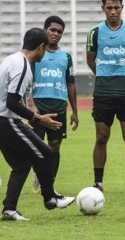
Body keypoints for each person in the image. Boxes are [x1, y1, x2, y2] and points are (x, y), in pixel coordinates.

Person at [0, 28, 75, 221]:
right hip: (4, 121)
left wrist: (23, 121)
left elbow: (7, 100)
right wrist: (37, 118)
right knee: (46, 154)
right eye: (45, 48)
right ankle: (50, 198)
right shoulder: (23, 66)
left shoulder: (12, 59)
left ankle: (9, 210)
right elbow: (11, 102)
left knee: (21, 165)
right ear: (41, 47)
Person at [86, 0, 125, 193]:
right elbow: (90, 60)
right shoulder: (95, 32)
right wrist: (105, 75)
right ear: (102, 8)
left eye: (116, 7)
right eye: (109, 8)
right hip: (103, 93)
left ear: (122, 7)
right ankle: (98, 184)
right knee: (101, 137)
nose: (113, 11)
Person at [29, 16, 79, 194]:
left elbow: (71, 83)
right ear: (45, 30)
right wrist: (30, 106)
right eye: (53, 30)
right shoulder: (36, 54)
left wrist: (75, 111)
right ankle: (38, 173)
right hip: (38, 108)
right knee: (36, 145)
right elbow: (28, 82)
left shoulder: (66, 57)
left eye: (59, 31)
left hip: (59, 108)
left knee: (55, 145)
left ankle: (48, 184)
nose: (56, 34)